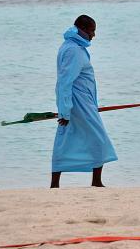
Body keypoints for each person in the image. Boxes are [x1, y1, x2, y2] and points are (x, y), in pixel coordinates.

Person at [51, 15, 118, 188]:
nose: (93, 35)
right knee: (99, 139)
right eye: (91, 30)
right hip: (78, 104)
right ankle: (96, 182)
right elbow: (65, 82)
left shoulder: (72, 46)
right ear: (81, 29)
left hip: (82, 102)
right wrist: (65, 110)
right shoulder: (73, 50)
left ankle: (55, 184)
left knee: (65, 139)